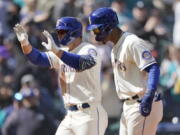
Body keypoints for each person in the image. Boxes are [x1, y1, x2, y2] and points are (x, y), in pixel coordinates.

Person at [13, 17, 108, 135]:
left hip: (89, 113)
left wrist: (57, 52)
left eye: (62, 32)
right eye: (58, 32)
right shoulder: (63, 51)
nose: (59, 35)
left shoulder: (88, 49)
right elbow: (37, 58)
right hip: (70, 114)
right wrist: (25, 43)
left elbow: (83, 63)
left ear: (74, 32)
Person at [87, 7, 163, 135]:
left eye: (96, 29)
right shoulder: (115, 47)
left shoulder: (131, 42)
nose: (95, 34)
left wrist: (149, 96)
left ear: (108, 27)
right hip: (129, 105)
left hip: (142, 102)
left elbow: (153, 68)